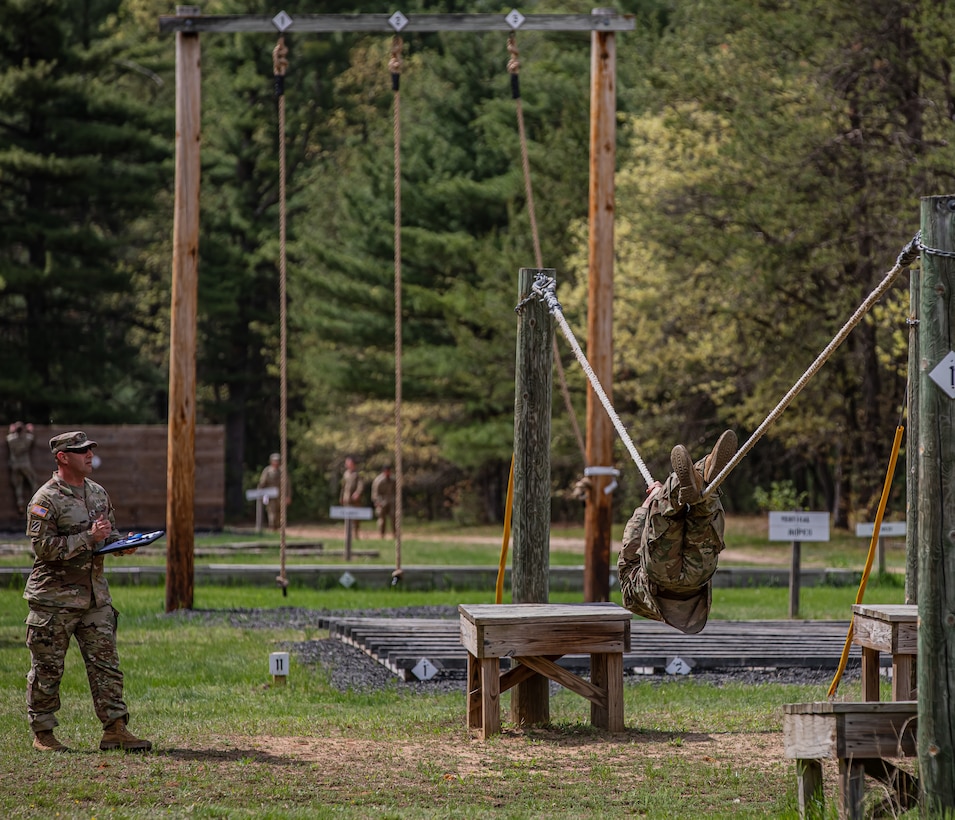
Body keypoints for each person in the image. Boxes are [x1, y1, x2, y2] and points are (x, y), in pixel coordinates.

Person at [23, 430, 151, 753]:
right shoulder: (45, 500)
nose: (89, 455)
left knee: (106, 665)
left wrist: (122, 544)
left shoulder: (97, 493)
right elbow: (44, 549)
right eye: (81, 451)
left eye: (90, 449)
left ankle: (115, 728)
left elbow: (108, 534)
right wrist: (88, 539)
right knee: (47, 668)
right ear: (62, 457)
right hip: (54, 600)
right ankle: (44, 732)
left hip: (95, 598)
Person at [617, 430, 737, 635]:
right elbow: (630, 548)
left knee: (704, 518)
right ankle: (694, 478)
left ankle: (702, 478)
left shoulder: (634, 597)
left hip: (697, 578)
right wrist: (646, 507)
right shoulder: (629, 594)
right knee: (665, 514)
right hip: (661, 574)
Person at [7, 421, 37, 516]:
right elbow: (31, 437)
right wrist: (29, 430)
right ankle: (35, 503)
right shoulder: (27, 438)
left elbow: (9, 437)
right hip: (25, 464)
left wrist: (11, 431)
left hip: (15, 465)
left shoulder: (11, 439)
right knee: (33, 483)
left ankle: (20, 504)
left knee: (18, 485)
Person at [257, 452, 291, 531]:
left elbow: (288, 484)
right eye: (274, 460)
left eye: (277, 460)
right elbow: (262, 483)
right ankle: (272, 526)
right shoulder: (267, 471)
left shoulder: (282, 471)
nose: (276, 462)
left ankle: (279, 526)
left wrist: (288, 496)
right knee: (271, 511)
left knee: (280, 512)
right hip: (270, 495)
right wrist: (261, 493)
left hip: (280, 495)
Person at [340, 456, 365, 539]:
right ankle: (347, 535)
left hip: (355, 500)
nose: (347, 464)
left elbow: (360, 485)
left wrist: (357, 493)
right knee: (347, 517)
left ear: (353, 464)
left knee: (355, 518)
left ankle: (356, 534)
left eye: (348, 463)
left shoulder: (357, 474)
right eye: (346, 463)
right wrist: (341, 497)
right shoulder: (345, 474)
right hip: (347, 499)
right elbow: (343, 487)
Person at [371, 464, 396, 539]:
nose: (388, 473)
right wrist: (377, 502)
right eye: (386, 471)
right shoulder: (379, 481)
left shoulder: (392, 480)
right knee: (382, 519)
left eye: (389, 471)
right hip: (381, 501)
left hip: (391, 501)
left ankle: (395, 534)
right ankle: (381, 534)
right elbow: (375, 493)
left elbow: (396, 491)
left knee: (394, 517)